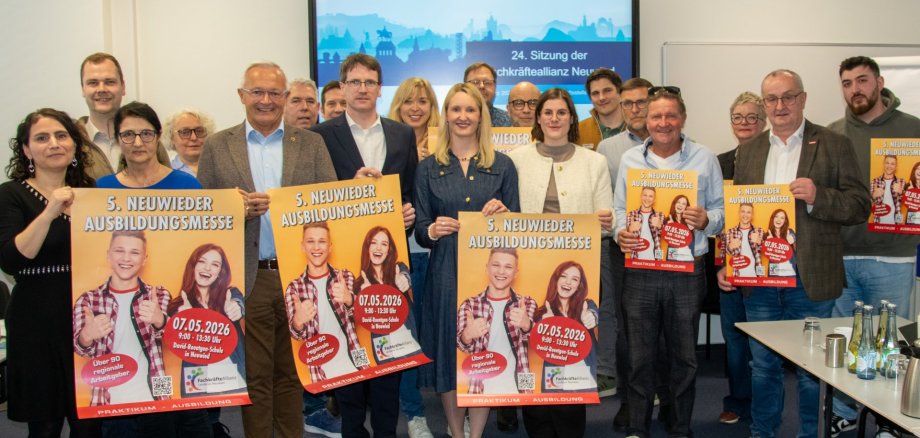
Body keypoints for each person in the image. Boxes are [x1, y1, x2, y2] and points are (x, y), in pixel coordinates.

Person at [717, 69, 869, 438]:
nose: (780, 106)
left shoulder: (833, 143)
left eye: (788, 97)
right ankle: (763, 433)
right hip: (761, 276)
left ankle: (810, 434)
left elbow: (860, 205)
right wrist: (727, 262)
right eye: (771, 99)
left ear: (802, 98)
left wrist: (820, 196)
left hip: (809, 275)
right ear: (764, 104)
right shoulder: (750, 150)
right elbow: (740, 215)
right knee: (763, 365)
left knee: (811, 367)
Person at [197, 61, 338, 438]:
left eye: (275, 93)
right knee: (256, 376)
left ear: (286, 97)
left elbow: (330, 207)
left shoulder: (311, 143)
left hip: (299, 276)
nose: (266, 100)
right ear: (241, 96)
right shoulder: (217, 145)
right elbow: (203, 214)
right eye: (257, 92)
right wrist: (235, 210)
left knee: (294, 373)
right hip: (249, 276)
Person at [311, 52, 417, 438]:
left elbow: (411, 189)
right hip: (342, 264)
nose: (362, 89)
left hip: (389, 263)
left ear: (379, 88)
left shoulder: (402, 133)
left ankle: (387, 431)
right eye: (354, 82)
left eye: (369, 82)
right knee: (348, 349)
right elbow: (313, 197)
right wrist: (348, 191)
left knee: (389, 347)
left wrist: (410, 213)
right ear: (341, 87)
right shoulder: (321, 135)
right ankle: (352, 429)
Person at [614, 87, 724, 438]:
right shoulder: (631, 160)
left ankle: (679, 426)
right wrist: (620, 232)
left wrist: (707, 219)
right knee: (639, 355)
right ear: (645, 121)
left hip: (687, 271)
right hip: (641, 270)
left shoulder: (705, 158)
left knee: (684, 356)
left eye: (670, 115)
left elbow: (722, 211)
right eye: (656, 116)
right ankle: (637, 426)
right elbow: (620, 211)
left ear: (683, 118)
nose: (663, 123)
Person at [414, 82, 519, 438]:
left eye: (470, 110)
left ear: (481, 116)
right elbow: (420, 230)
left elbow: (518, 225)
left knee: (484, 349)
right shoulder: (428, 168)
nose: (463, 116)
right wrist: (432, 231)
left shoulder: (503, 165)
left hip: (488, 274)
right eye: (456, 109)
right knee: (449, 351)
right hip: (445, 270)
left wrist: (504, 213)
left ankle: (476, 435)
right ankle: (456, 433)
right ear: (445, 115)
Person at [507, 87, 612, 437]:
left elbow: (606, 220)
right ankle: (537, 428)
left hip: (575, 279)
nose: (554, 119)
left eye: (561, 112)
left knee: (571, 352)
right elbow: (507, 214)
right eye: (547, 112)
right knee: (533, 351)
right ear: (538, 118)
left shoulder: (594, 161)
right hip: (532, 276)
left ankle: (570, 429)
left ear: (572, 118)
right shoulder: (516, 158)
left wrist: (606, 221)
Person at [826, 55, 920, 437]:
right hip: (841, 254)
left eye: (862, 81)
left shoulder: (913, 129)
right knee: (846, 340)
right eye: (847, 83)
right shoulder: (830, 133)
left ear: (879, 83)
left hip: (892, 255)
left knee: (891, 343)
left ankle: (887, 420)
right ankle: (844, 410)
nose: (855, 90)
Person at [0, 108, 101, 437]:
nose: (54, 144)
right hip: (36, 323)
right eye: (41, 138)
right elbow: (12, 260)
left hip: (90, 320)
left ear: (74, 145)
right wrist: (50, 211)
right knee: (44, 426)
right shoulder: (11, 194)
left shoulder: (94, 194)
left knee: (90, 423)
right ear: (27, 150)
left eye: (61, 136)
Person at [595, 78, 654, 422]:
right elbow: (610, 204)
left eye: (641, 102)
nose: (635, 109)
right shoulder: (609, 149)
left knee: (662, 326)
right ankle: (630, 400)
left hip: (665, 255)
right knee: (622, 321)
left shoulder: (686, 149)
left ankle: (660, 391)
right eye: (628, 103)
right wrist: (618, 230)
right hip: (623, 249)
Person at [387, 76, 441, 438]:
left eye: (423, 101)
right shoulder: (389, 146)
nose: (416, 108)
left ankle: (463, 404)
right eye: (409, 101)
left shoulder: (447, 145)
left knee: (443, 336)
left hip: (441, 255)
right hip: (402, 256)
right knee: (405, 338)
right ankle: (414, 413)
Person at [72, 230, 171, 406]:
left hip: (156, 398)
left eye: (134, 252)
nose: (126, 258)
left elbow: (172, 340)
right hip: (106, 402)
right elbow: (81, 350)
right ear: (108, 255)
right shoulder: (88, 300)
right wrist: (86, 336)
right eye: (119, 251)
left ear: (144, 259)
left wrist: (160, 320)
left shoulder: (159, 294)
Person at [715, 91, 766, 426]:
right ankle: (737, 401)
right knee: (734, 339)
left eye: (751, 117)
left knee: (764, 342)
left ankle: (764, 405)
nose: (744, 124)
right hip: (730, 265)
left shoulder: (777, 160)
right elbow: (719, 219)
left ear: (763, 121)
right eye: (738, 117)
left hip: (768, 266)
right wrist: (722, 263)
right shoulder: (720, 162)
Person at [284, 222, 363, 378]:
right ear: (302, 246)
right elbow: (296, 334)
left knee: (356, 401)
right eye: (310, 241)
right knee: (316, 403)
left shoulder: (345, 276)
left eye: (322, 241)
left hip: (354, 365)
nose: (316, 247)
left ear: (330, 247)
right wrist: (298, 322)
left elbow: (360, 318)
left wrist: (350, 300)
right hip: (319, 373)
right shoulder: (294, 288)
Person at [167, 244, 246, 395]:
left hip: (235, 377)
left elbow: (238, 303)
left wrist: (237, 308)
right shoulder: (178, 304)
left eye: (215, 264)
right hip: (199, 383)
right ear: (193, 267)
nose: (208, 268)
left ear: (220, 272)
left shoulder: (230, 294)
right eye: (202, 261)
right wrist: (184, 321)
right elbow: (173, 340)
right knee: (204, 418)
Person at [457, 248, 536, 393]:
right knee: (479, 413)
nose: (501, 271)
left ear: (516, 273)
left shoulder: (527, 303)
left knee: (531, 413)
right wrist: (467, 335)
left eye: (508, 267)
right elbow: (463, 347)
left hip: (520, 385)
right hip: (479, 386)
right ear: (486, 268)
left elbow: (535, 343)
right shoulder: (469, 304)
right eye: (496, 265)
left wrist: (527, 325)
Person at [79, 52, 169, 171]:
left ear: (123, 87)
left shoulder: (149, 139)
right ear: (83, 89)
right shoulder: (72, 142)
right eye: (93, 83)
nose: (101, 89)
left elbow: (169, 184)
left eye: (109, 82)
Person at [95, 102, 201, 190]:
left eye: (146, 134)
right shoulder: (103, 188)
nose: (138, 143)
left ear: (158, 136)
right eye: (128, 134)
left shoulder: (187, 185)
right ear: (117, 139)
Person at [354, 226, 423, 362]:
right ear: (367, 248)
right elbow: (357, 319)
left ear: (388, 251)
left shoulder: (399, 268)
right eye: (374, 243)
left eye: (384, 244)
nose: (379, 248)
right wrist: (364, 299)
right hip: (385, 349)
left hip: (408, 342)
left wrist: (404, 280)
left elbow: (405, 275)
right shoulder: (360, 283)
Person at [575, 68, 624, 150]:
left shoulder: (636, 127)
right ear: (590, 98)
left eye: (607, 90)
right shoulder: (578, 131)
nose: (602, 97)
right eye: (595, 93)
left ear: (620, 92)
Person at [162, 109, 214, 177]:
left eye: (199, 131)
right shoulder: (166, 173)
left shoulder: (220, 167)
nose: (194, 138)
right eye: (185, 132)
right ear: (171, 137)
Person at [464, 62, 512, 127]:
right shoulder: (455, 119)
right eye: (475, 82)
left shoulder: (509, 121)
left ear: (495, 87)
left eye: (487, 82)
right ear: (465, 88)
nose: (482, 86)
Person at [724, 203, 764, 278]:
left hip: (758, 275)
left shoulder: (759, 231)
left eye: (748, 212)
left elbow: (764, 252)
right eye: (743, 211)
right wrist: (730, 246)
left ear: (752, 215)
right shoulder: (731, 231)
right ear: (739, 213)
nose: (745, 215)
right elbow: (728, 252)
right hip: (738, 276)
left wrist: (759, 242)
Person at [625, 186, 664, 261]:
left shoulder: (660, 215)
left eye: (650, 196)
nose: (647, 198)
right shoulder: (631, 214)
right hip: (635, 260)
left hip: (656, 260)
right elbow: (625, 240)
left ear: (654, 199)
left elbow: (665, 237)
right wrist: (630, 230)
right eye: (645, 195)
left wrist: (660, 226)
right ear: (641, 196)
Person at [871, 155, 905, 224]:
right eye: (887, 163)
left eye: (892, 164)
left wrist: (901, 192)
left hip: (896, 223)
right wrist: (873, 196)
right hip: (878, 223)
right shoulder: (874, 181)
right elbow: (867, 204)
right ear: (883, 164)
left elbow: (907, 203)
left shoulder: (901, 182)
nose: (889, 166)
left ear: (896, 167)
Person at [765, 209, 796, 277]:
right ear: (773, 218)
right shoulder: (767, 235)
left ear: (785, 221)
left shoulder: (790, 232)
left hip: (790, 273)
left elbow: (799, 250)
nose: (779, 220)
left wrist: (793, 242)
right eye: (776, 216)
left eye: (782, 218)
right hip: (775, 274)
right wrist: (769, 244)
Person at [665, 195, 694, 262]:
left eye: (683, 204)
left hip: (687, 257)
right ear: (674, 204)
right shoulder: (668, 220)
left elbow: (691, 241)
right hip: (673, 258)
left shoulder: (689, 221)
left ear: (686, 207)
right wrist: (670, 229)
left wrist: (692, 229)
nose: (680, 205)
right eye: (678, 202)